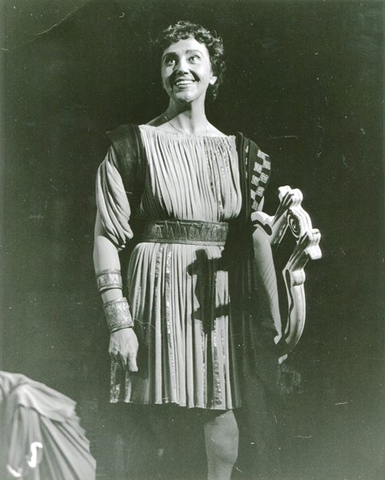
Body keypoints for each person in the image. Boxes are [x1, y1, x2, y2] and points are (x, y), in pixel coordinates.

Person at [93, 21, 281, 480]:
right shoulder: (131, 144)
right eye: (171, 60)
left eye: (194, 58)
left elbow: (255, 238)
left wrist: (275, 322)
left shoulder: (243, 154)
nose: (182, 67)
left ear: (214, 73)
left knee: (219, 409)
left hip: (215, 299)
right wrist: (119, 323)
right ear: (161, 74)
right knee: (147, 417)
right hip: (152, 293)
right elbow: (105, 234)